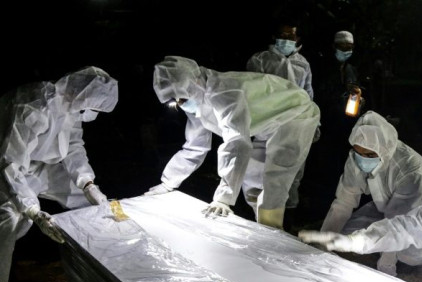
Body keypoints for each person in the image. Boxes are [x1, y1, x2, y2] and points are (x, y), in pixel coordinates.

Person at [0, 66, 118, 282]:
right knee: (12, 213)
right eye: (94, 107)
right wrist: (35, 212)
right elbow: (11, 163)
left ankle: (107, 256)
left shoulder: (72, 106)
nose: (91, 113)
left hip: (34, 162)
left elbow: (74, 147)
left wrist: (89, 185)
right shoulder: (35, 104)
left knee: (88, 200)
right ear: (83, 96)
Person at [145, 56, 320, 230]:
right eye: (175, 101)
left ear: (194, 84)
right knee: (252, 179)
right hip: (267, 124)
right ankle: (265, 229)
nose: (180, 104)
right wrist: (167, 182)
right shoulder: (195, 99)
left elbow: (237, 142)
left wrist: (223, 198)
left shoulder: (225, 92)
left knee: (275, 178)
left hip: (297, 114)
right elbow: (195, 146)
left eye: (181, 97)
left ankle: (275, 234)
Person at [320, 110, 422, 276]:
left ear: (384, 150)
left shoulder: (411, 172)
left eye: (370, 154)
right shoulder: (356, 158)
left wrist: (387, 264)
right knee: (346, 236)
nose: (362, 159)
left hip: (420, 215)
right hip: (386, 205)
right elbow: (344, 201)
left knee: (409, 254)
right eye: (358, 152)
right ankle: (385, 250)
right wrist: (322, 244)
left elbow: (398, 223)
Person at [245, 17, 316, 210]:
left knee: (292, 167)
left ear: (297, 37)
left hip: (295, 122)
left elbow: (308, 93)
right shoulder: (260, 59)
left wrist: (314, 123)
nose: (287, 38)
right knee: (259, 162)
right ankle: (254, 206)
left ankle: (286, 210)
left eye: (291, 35)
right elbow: (251, 90)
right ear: (275, 36)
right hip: (267, 121)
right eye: (283, 35)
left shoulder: (303, 64)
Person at [307, 30, 368, 206]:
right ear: (334, 46)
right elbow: (320, 93)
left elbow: (356, 90)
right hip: (325, 122)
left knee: (341, 162)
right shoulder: (322, 68)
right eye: (342, 46)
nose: (346, 50)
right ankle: (318, 201)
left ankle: (337, 197)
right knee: (323, 161)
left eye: (349, 47)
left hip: (345, 124)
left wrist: (358, 99)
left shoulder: (350, 68)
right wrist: (343, 96)